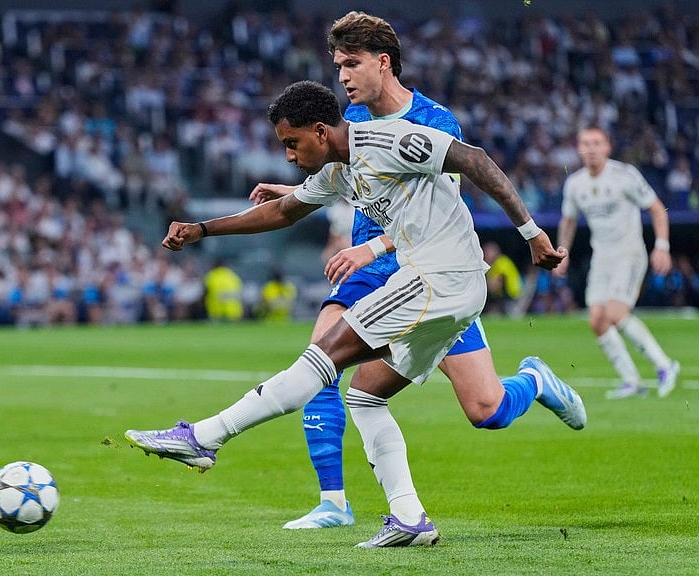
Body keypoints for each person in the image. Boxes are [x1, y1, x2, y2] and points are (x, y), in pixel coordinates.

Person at [126, 79, 580, 548]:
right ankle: (409, 519)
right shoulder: (341, 168)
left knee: (322, 359)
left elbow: (476, 160)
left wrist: (531, 234)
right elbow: (285, 211)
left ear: (321, 131)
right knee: (365, 396)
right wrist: (202, 230)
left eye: (292, 143)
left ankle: (205, 438)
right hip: (435, 282)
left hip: (436, 279)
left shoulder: (391, 139)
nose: (288, 155)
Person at [246, 12, 579, 537]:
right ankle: (333, 500)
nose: (343, 78)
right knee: (324, 358)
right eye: (338, 66)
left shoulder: (435, 122)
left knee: (485, 408)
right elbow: (351, 181)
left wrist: (380, 243)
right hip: (368, 268)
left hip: (429, 274)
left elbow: (435, 213)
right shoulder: (344, 120)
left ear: (383, 62)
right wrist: (294, 192)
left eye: (351, 64)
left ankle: (533, 380)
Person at [555, 126, 680, 399]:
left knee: (615, 313)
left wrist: (662, 245)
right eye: (585, 143)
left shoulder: (625, 175)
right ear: (578, 148)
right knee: (597, 321)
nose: (591, 148)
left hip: (629, 253)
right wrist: (561, 251)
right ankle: (632, 382)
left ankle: (665, 365)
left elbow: (657, 209)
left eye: (597, 143)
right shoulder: (575, 183)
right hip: (602, 258)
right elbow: (569, 220)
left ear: (607, 147)